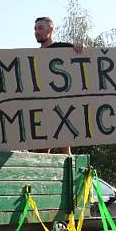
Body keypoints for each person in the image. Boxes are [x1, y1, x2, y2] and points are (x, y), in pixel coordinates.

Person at [33, 16, 83, 154]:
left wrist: (79, 47)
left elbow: (85, 61)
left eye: (40, 28)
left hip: (63, 109)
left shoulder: (65, 49)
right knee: (41, 154)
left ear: (51, 29)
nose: (37, 31)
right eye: (35, 29)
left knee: (65, 151)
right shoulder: (32, 56)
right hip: (43, 109)